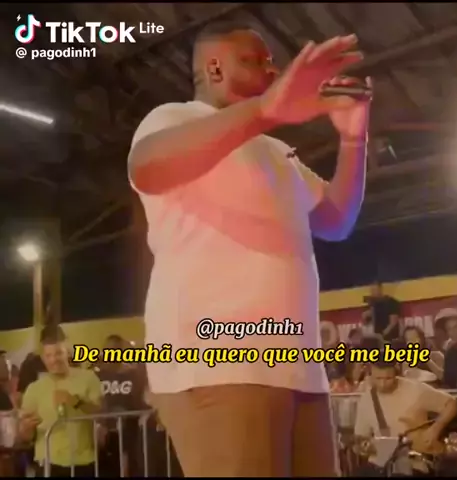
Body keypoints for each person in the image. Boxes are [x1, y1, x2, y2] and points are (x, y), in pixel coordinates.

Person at [128, 20, 369, 477]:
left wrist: (354, 138)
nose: (272, 69)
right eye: (255, 60)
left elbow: (337, 220)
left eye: (271, 61)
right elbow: (146, 167)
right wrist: (265, 109)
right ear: (214, 68)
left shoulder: (277, 152)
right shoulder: (174, 118)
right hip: (218, 365)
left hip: (297, 364)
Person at [18, 325, 102, 477]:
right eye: (48, 355)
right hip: (48, 463)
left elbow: (102, 414)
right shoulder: (34, 388)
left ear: (67, 351)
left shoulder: (88, 378)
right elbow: (25, 436)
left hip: (83, 462)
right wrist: (26, 429)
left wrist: (77, 402)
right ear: (42, 357)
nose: (54, 360)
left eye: (58, 353)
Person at [354, 360, 457, 476]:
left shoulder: (415, 390)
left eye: (388, 378)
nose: (383, 384)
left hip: (414, 459)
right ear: (370, 374)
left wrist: (435, 429)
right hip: (380, 463)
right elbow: (360, 438)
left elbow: (452, 404)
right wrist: (364, 447)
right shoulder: (366, 399)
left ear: (396, 372)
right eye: (378, 379)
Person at [94, 334, 147, 477]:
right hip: (102, 435)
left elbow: (141, 403)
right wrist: (99, 424)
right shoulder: (96, 377)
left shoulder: (133, 375)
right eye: (108, 350)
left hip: (129, 434)